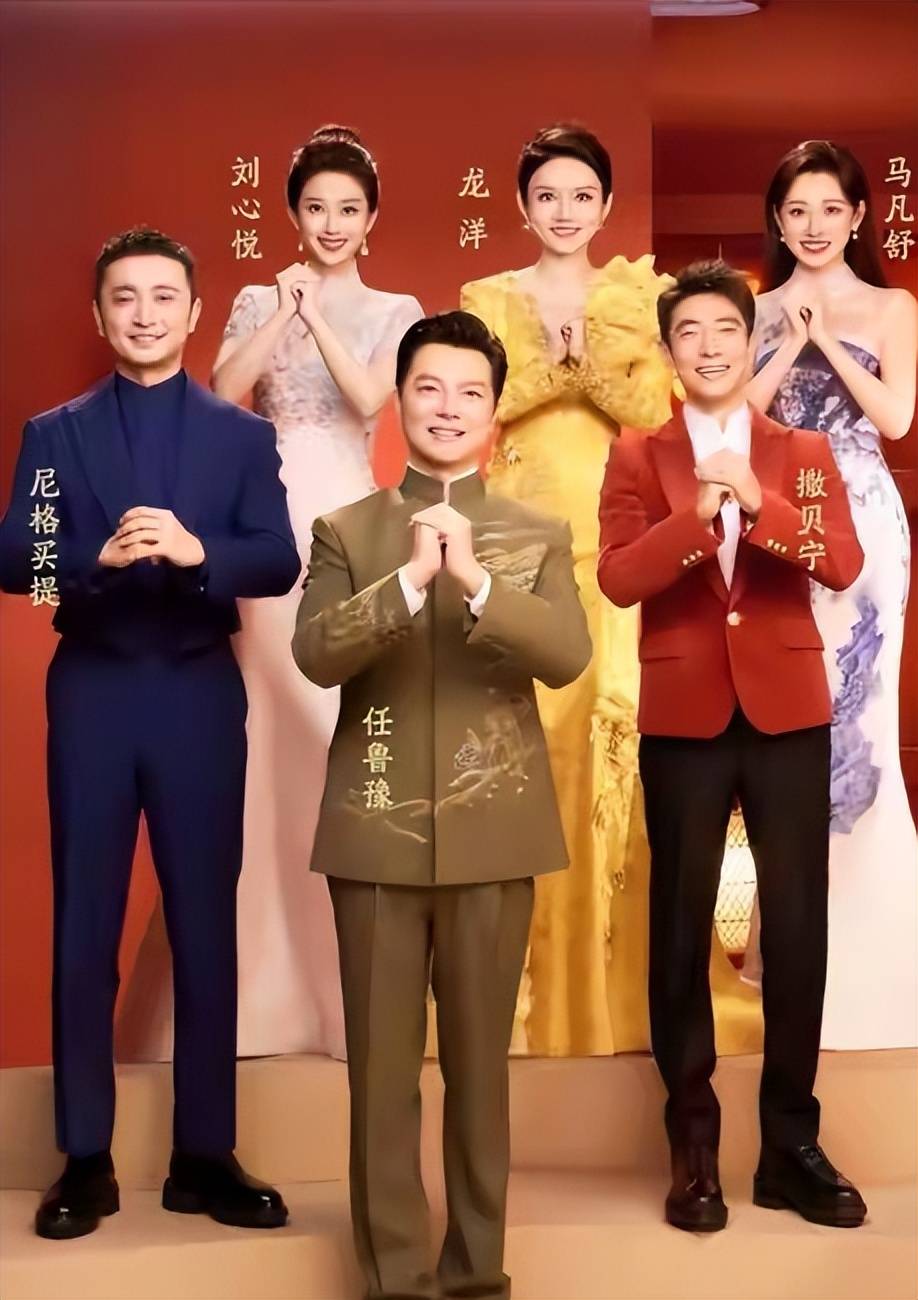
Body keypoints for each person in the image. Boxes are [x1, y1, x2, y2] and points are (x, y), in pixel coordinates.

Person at [0, 228, 299, 1238]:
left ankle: (204, 1155)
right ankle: (84, 1156)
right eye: (124, 297)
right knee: (85, 923)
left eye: (163, 296)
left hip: (199, 691)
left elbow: (277, 559)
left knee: (205, 923)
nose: (144, 313)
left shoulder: (240, 436)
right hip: (93, 686)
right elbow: (20, 559)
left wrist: (196, 549)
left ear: (194, 311)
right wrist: (97, 555)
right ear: (99, 314)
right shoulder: (54, 433)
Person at [293, 311, 591, 1298]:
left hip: (496, 832)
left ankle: (476, 1274)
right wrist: (413, 580)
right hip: (373, 833)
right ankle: (394, 1277)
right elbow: (317, 654)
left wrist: (474, 580)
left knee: (479, 1073)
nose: (449, 407)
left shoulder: (537, 535)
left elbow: (566, 655)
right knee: (381, 1077)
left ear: (494, 411)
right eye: (429, 387)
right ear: (400, 401)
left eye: (470, 392)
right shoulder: (347, 531)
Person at [118, 126, 423, 1062]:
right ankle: (258, 991)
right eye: (316, 207)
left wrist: (318, 314)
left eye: (348, 210)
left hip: (350, 519)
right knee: (260, 734)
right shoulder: (259, 297)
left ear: (371, 219)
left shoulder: (397, 307)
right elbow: (223, 385)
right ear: (293, 213)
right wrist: (282, 312)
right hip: (263, 518)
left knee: (340, 729)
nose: (331, 224)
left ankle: (354, 994)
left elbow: (371, 401)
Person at [461, 123, 759, 1056]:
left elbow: (647, 408)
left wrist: (582, 364)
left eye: (581, 196)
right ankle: (519, 993)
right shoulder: (487, 296)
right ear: (522, 206)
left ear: (605, 206)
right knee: (524, 741)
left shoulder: (636, 294)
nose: (564, 211)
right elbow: (481, 403)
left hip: (618, 535)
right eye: (547, 195)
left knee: (614, 735)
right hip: (516, 535)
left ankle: (613, 990)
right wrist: (559, 368)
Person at [598, 260, 866, 1232]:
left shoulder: (801, 449)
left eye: (725, 330)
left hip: (788, 708)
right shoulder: (638, 453)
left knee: (797, 930)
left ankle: (791, 1144)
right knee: (679, 930)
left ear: (752, 342)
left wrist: (758, 501)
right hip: (685, 715)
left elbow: (840, 561)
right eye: (690, 333)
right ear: (668, 350)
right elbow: (619, 578)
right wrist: (694, 517)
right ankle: (694, 1147)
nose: (709, 347)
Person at [745, 139, 917, 1049]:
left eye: (830, 209)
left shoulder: (892, 307)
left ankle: (874, 956)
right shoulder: (752, 308)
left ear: (858, 217)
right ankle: (790, 956)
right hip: (783, 520)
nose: (813, 226)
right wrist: (787, 341)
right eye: (796, 211)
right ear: (778, 221)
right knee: (788, 725)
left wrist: (827, 346)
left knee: (863, 723)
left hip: (864, 517)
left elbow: (895, 418)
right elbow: (734, 420)